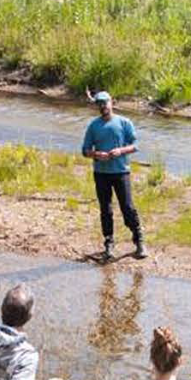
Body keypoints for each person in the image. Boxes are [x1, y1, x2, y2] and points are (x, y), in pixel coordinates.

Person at [82, 90, 145, 261]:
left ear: (112, 102)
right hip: (101, 173)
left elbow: (135, 145)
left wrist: (120, 151)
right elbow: (85, 151)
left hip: (121, 171)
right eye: (99, 104)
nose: (102, 106)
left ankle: (139, 240)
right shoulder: (93, 126)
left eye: (105, 102)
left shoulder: (124, 122)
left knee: (127, 207)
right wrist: (96, 155)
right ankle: (109, 243)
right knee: (106, 209)